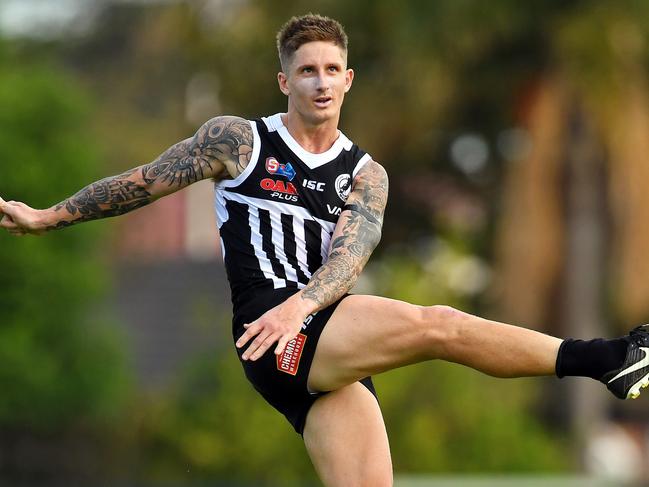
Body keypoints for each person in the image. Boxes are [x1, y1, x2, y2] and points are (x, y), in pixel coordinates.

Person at [1, 13, 648, 487]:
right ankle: (609, 359)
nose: (319, 82)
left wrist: (302, 306)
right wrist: (48, 216)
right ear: (282, 79)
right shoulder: (237, 141)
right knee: (439, 325)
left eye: (331, 70)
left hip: (318, 335)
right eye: (305, 70)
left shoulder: (365, 174)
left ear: (348, 79)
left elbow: (350, 258)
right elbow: (140, 182)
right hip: (272, 333)